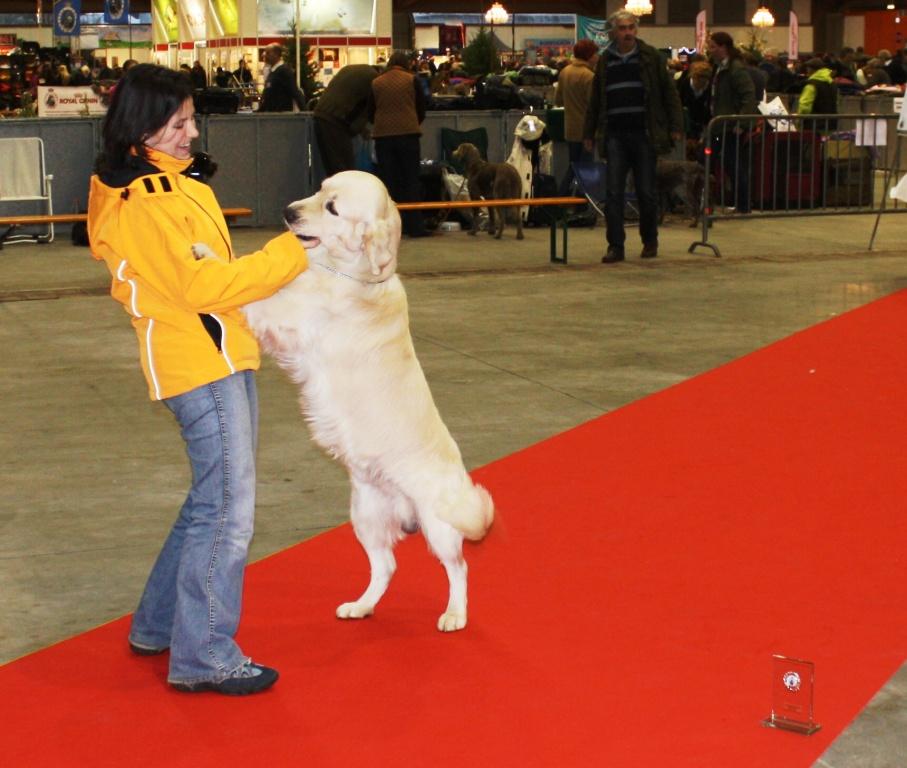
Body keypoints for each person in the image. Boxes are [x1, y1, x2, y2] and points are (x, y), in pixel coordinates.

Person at [87, 63, 308, 695]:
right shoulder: (143, 201)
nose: (191, 132)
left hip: (219, 354)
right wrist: (295, 249)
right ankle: (204, 653)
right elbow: (200, 286)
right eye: (178, 122)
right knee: (229, 511)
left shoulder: (174, 184)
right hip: (198, 363)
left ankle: (158, 626)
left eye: (190, 119)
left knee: (210, 500)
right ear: (143, 126)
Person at [583, 9, 683, 262]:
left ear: (636, 30)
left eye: (631, 28)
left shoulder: (650, 57)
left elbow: (668, 92)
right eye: (622, 28)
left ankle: (650, 240)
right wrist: (589, 133)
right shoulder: (605, 61)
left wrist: (675, 125)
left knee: (646, 192)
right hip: (615, 135)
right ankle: (615, 246)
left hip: (644, 134)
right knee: (614, 193)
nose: (627, 33)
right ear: (614, 32)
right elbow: (595, 100)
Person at [367, 51, 430, 237]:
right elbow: (422, 108)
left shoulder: (376, 82)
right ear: (406, 64)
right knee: (411, 180)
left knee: (388, 182)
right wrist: (411, 121)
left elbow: (370, 112)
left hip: (383, 138)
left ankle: (389, 228)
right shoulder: (412, 80)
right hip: (408, 136)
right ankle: (415, 227)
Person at [707, 31, 757, 214]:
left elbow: (748, 96)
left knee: (733, 165)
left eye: (713, 46)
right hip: (720, 124)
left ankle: (743, 205)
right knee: (721, 163)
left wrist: (741, 122)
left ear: (723, 47)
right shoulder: (719, 67)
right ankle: (714, 204)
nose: (710, 50)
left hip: (731, 126)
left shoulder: (736, 69)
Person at [313, 63, 379, 177]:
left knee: (332, 167)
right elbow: (365, 110)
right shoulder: (374, 79)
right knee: (344, 169)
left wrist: (361, 130)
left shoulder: (351, 69)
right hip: (336, 121)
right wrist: (361, 130)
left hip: (320, 114)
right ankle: (346, 194)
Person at [555, 38, 599, 197]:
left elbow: (558, 100)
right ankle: (582, 204)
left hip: (570, 129)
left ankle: (561, 200)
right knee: (586, 169)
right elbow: (594, 106)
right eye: (595, 54)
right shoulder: (589, 76)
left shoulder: (564, 72)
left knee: (573, 166)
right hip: (586, 130)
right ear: (588, 55)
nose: (597, 57)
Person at [258, 43, 306, 112]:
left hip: (281, 117)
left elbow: (295, 92)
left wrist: (305, 113)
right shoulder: (272, 71)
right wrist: (260, 111)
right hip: (271, 116)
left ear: (276, 54)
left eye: (268, 53)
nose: (265, 55)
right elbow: (268, 96)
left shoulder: (284, 71)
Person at [797, 57, 838, 128]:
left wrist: (799, 119)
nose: (807, 70)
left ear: (811, 69)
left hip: (813, 125)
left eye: (808, 68)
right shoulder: (831, 83)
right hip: (831, 124)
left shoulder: (811, 85)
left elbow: (804, 106)